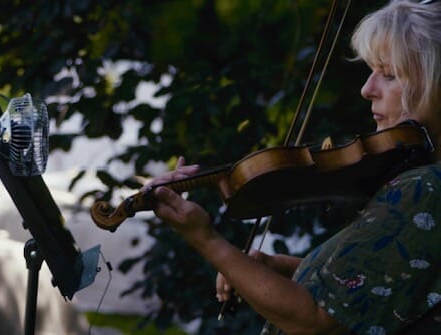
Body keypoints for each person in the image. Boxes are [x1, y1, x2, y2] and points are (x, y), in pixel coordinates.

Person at [145, 0, 441, 334]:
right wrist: (280, 267)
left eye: (389, 75)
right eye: (372, 71)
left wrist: (205, 239)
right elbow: (390, 284)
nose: (366, 89)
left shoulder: (425, 188)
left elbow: (314, 320)